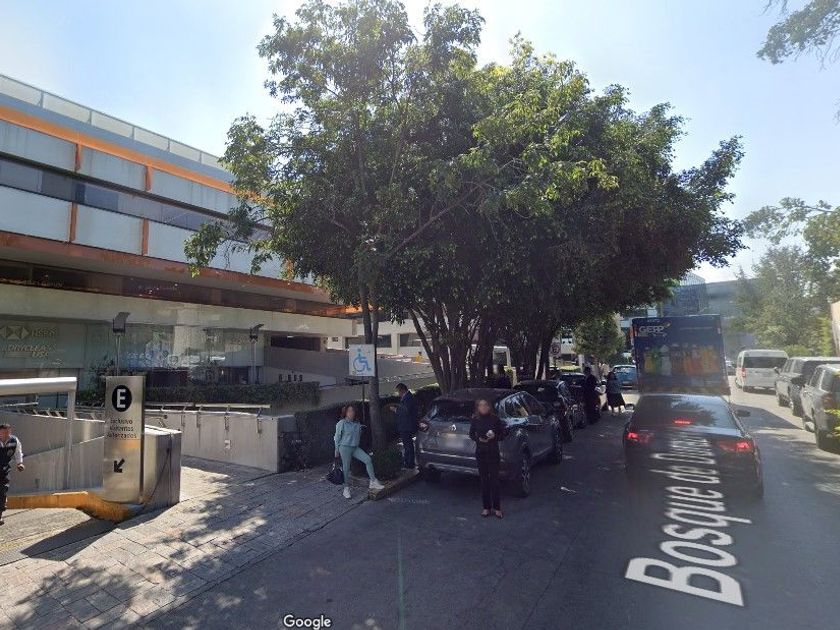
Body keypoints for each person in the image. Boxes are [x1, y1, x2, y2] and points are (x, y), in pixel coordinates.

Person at [334, 405, 383, 499]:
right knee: (346, 468)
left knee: (368, 459)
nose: (351, 413)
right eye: (349, 411)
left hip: (355, 448)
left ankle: (373, 481)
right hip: (344, 447)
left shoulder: (357, 423)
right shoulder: (342, 423)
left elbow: (358, 436)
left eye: (352, 411)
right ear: (345, 413)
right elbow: (337, 437)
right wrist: (336, 450)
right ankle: (346, 489)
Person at [469, 398, 506, 518]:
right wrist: (478, 439)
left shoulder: (495, 419)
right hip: (481, 452)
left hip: (493, 452)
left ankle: (497, 508)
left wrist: (494, 437)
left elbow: (503, 434)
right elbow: (471, 434)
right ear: (478, 407)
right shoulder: (475, 419)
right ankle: (486, 507)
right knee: (484, 481)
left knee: (494, 480)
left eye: (485, 405)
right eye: (481, 405)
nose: (483, 407)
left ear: (489, 406)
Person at [0, 423, 24, 526]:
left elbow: (18, 452)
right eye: (2, 433)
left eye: (7, 433)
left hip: (5, 469)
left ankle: (0, 515)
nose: (5, 435)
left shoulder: (14, 441)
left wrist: (19, 463)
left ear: (10, 432)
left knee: (2, 491)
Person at [394, 383, 418, 470]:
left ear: (402, 390)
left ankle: (409, 463)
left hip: (406, 425)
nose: (398, 393)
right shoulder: (407, 397)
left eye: (398, 391)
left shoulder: (408, 398)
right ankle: (408, 461)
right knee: (407, 444)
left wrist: (396, 410)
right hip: (405, 425)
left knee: (408, 444)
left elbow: (406, 411)